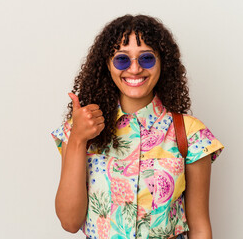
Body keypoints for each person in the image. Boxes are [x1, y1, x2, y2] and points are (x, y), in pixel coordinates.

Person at [51, 14, 224, 239]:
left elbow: (199, 226)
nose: (134, 69)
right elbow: (69, 222)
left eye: (147, 58)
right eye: (122, 59)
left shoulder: (191, 134)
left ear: (163, 62)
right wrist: (77, 139)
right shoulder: (81, 128)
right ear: (107, 64)